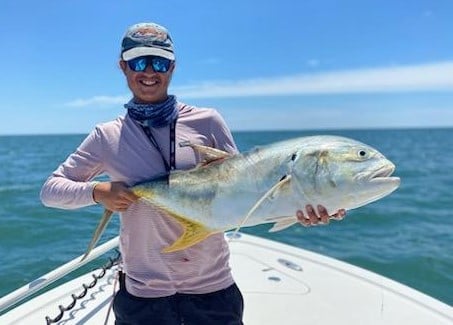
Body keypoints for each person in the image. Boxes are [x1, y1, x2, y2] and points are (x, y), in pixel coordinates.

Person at [40, 22, 345, 325]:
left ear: (172, 67)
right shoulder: (107, 135)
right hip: (144, 296)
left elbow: (245, 190)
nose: (149, 71)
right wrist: (97, 192)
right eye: (138, 62)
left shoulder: (208, 122)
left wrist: (305, 203)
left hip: (213, 290)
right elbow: (50, 191)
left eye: (159, 61)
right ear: (123, 67)